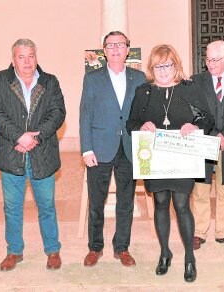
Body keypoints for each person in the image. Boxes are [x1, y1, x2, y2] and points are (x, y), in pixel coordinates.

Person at [126, 45, 213, 281]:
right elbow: (131, 122)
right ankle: (165, 253)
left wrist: (194, 126)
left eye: (168, 65)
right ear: (151, 68)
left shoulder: (189, 88)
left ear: (176, 65)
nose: (163, 71)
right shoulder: (144, 91)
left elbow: (208, 119)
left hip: (183, 158)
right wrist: (142, 126)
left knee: (182, 204)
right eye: (158, 66)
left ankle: (189, 257)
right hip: (155, 160)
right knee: (161, 203)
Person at [0, 39, 66, 272]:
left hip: (42, 154)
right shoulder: (0, 80)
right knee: (12, 207)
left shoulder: (50, 82)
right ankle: (14, 251)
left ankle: (52, 250)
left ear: (36, 57)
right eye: (21, 57)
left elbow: (58, 113)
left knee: (47, 206)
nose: (27, 61)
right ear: (13, 60)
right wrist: (19, 137)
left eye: (31, 55)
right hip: (12, 154)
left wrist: (35, 138)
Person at [79, 31, 146, 267]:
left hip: (129, 147)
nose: (116, 48)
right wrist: (86, 149)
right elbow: (85, 115)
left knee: (126, 202)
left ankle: (122, 248)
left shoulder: (139, 78)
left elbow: (145, 112)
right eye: (110, 45)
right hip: (99, 147)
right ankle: (95, 247)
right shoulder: (92, 78)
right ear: (103, 51)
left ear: (128, 49)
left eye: (120, 45)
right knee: (96, 202)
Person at [190, 40, 224, 250]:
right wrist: (212, 135)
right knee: (200, 190)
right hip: (204, 142)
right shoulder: (196, 81)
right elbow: (194, 112)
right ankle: (198, 233)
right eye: (207, 59)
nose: (210, 64)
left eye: (215, 60)